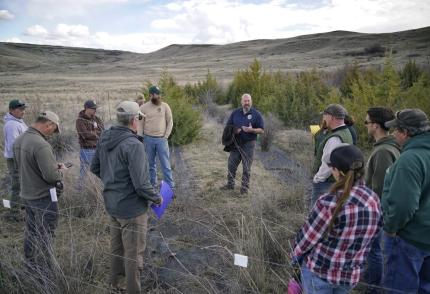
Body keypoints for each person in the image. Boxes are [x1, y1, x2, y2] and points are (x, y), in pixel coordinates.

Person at [91, 101, 162, 294]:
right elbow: (141, 185)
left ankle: (116, 285)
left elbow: (94, 167)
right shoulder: (134, 145)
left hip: (112, 203)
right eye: (139, 118)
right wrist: (157, 198)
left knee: (117, 249)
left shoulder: (105, 136)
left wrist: (113, 183)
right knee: (133, 255)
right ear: (134, 120)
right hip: (132, 209)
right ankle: (132, 290)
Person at [293, 144, 382, 294]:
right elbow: (373, 236)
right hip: (350, 276)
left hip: (320, 274)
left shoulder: (328, 202)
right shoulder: (373, 199)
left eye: (332, 167)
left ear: (338, 171)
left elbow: (306, 240)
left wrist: (294, 257)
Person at [381, 108, 430, 294]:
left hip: (409, 239)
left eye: (396, 130)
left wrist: (391, 228)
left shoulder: (410, 159)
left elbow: (404, 205)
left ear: (406, 132)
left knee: (399, 289)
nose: (393, 134)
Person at [13, 111, 65, 273]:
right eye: (54, 129)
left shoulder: (19, 139)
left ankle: (30, 265)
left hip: (27, 195)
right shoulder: (41, 144)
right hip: (43, 197)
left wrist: (50, 166)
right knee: (46, 234)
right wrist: (61, 172)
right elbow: (51, 177)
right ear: (49, 124)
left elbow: (22, 167)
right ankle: (46, 271)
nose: (52, 134)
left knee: (31, 231)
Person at [362, 107, 401, 293]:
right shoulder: (387, 147)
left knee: (375, 252)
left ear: (376, 125)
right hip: (381, 211)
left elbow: (380, 189)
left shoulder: (383, 152)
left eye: (367, 122)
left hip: (377, 213)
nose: (366, 126)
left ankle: (373, 288)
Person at [221, 93, 264, 194]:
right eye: (245, 101)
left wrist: (252, 130)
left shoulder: (256, 114)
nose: (247, 103)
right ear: (241, 102)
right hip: (236, 143)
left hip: (249, 144)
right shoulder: (235, 113)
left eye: (248, 101)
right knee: (231, 165)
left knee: (246, 168)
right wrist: (235, 130)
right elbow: (228, 126)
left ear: (251, 102)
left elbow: (261, 130)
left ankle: (244, 190)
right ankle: (230, 185)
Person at [311, 104, 353, 206]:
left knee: (317, 216)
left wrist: (318, 179)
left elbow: (328, 163)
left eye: (325, 115)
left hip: (326, 183)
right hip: (337, 182)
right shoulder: (346, 132)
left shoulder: (335, 138)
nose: (323, 118)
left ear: (331, 117)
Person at [139, 85, 174, 191]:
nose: (158, 96)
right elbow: (140, 123)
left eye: (159, 94)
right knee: (150, 165)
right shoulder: (143, 108)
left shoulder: (165, 106)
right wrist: (140, 136)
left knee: (166, 165)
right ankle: (152, 187)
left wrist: (166, 136)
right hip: (148, 139)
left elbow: (170, 121)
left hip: (161, 140)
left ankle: (170, 188)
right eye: (156, 94)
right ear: (150, 95)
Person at [3, 99, 28, 220]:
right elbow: (14, 146)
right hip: (16, 159)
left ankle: (20, 207)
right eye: (20, 109)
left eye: (24, 109)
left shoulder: (18, 121)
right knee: (17, 185)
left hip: (20, 157)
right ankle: (14, 213)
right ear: (11, 110)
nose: (23, 112)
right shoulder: (12, 125)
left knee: (22, 184)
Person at [75, 99, 104, 190]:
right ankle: (80, 190)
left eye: (95, 109)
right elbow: (85, 135)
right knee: (84, 172)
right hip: (87, 150)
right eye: (92, 109)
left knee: (100, 170)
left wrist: (93, 133)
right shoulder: (80, 120)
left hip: (98, 148)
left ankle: (98, 189)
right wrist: (96, 133)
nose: (95, 110)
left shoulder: (96, 118)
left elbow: (103, 131)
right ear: (86, 108)